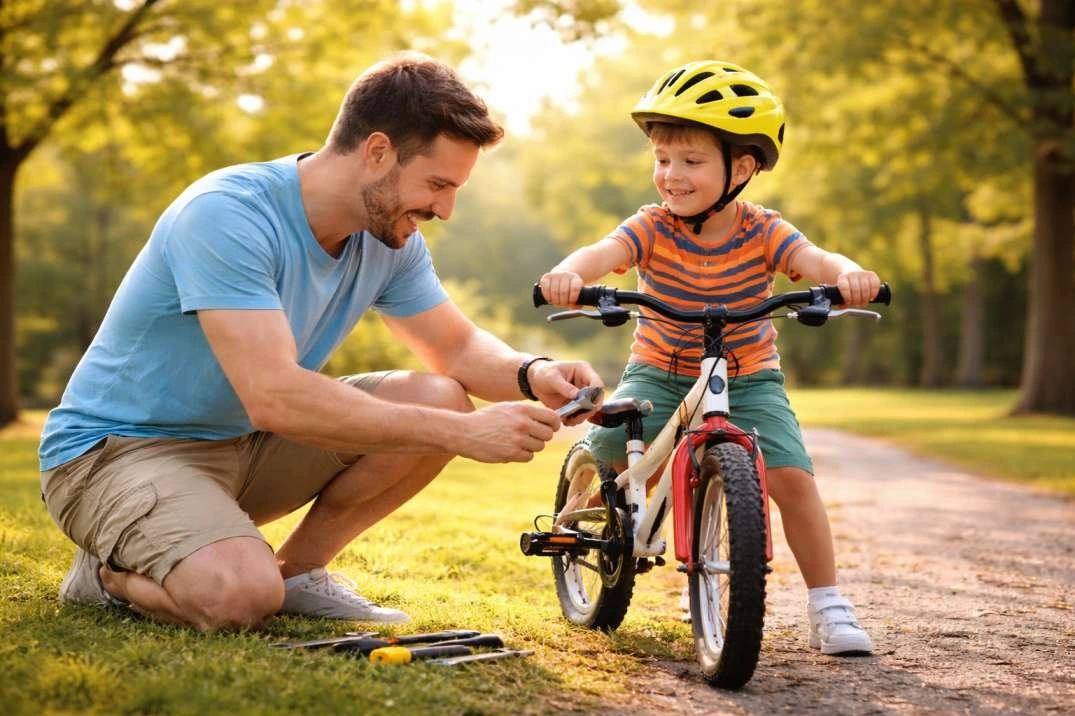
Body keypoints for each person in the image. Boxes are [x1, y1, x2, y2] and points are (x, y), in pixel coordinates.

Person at [38, 53, 602, 632]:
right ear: (377, 152)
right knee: (239, 599)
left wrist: (533, 372)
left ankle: (299, 572)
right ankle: (107, 576)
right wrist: (463, 434)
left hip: (244, 446)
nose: (445, 209)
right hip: (116, 454)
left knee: (440, 396)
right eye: (437, 184)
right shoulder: (227, 215)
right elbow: (275, 396)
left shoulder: (388, 240)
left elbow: (456, 350)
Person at [537, 60, 879, 656]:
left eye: (690, 161)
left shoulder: (765, 231)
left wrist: (850, 277)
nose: (671, 175)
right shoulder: (651, 226)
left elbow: (819, 261)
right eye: (663, 159)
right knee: (614, 458)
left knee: (793, 478)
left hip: (749, 378)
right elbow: (603, 251)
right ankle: (584, 522)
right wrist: (569, 274)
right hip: (660, 371)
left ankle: (829, 605)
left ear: (741, 168)